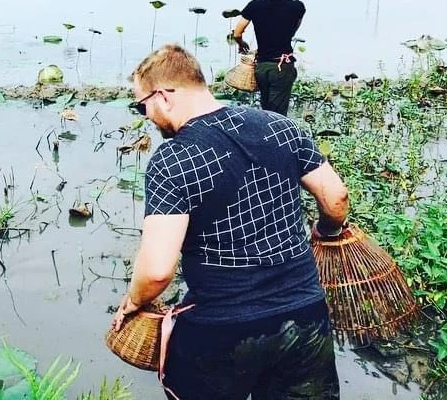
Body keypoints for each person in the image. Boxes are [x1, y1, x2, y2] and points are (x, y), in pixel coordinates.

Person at [112, 44, 349, 400]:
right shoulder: (281, 126)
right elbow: (336, 199)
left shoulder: (173, 158)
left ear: (163, 96)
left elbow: (158, 271)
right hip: (304, 319)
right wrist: (326, 232)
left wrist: (133, 301)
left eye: (142, 105)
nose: (145, 115)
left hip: (222, 333)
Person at [232, 0, 305, 116]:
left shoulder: (255, 6)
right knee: (278, 114)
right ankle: (276, 136)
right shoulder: (297, 7)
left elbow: (237, 32)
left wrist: (241, 44)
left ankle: (267, 135)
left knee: (266, 109)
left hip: (262, 67)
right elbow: (293, 30)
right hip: (282, 67)